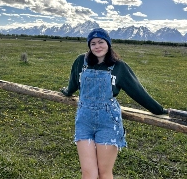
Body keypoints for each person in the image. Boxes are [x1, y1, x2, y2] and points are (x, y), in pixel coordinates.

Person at [61, 28, 168, 179]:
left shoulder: (119, 67)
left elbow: (137, 91)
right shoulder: (81, 62)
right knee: (88, 174)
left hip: (108, 122)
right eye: (93, 43)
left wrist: (159, 110)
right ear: (89, 46)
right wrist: (67, 92)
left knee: (104, 173)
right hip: (84, 121)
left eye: (101, 42)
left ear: (108, 44)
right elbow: (73, 83)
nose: (97, 46)